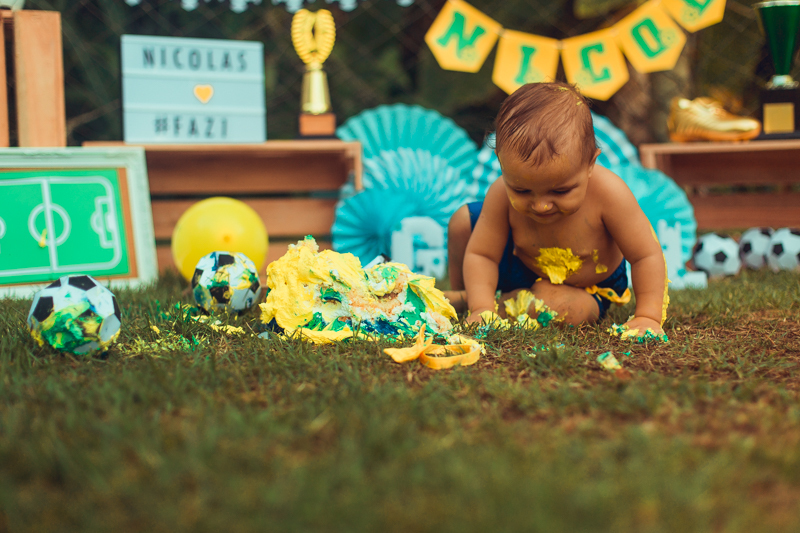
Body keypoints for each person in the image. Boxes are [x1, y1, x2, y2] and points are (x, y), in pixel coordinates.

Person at [446, 81, 668, 336]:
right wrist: (481, 308)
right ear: (501, 163)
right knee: (462, 221)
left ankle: (493, 300)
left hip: (587, 285)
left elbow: (645, 255)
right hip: (521, 262)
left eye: (560, 191)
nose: (541, 205)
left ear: (589, 164)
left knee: (562, 308)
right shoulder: (500, 192)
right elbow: (482, 255)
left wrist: (648, 316)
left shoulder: (610, 194)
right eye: (522, 190)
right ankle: (472, 299)